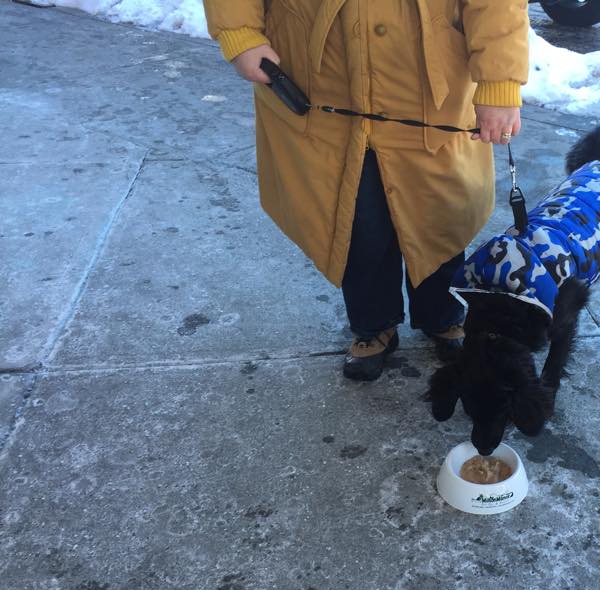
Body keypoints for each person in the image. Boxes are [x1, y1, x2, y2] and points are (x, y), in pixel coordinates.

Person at [202, 0, 529, 380]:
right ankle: (373, 324)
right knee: (356, 220)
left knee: (439, 213)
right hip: (321, 78)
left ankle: (443, 315)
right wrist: (239, 33)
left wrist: (500, 80)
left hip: (428, 84)